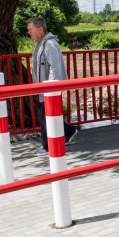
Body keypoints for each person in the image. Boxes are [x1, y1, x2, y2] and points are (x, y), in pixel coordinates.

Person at [26, 17, 77, 155]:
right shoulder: (40, 43)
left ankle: (47, 146)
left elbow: (55, 66)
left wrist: (51, 88)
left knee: (45, 117)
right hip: (43, 88)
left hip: (49, 89)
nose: (29, 32)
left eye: (31, 29)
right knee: (49, 115)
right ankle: (69, 131)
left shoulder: (50, 44)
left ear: (41, 29)